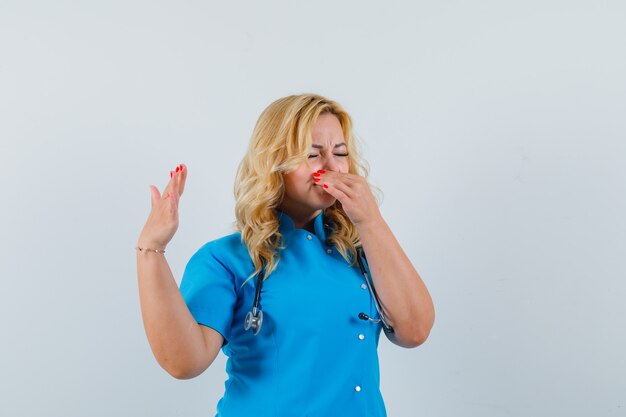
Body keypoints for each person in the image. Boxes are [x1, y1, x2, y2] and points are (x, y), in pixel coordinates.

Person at [136, 93, 435, 417]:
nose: (333, 167)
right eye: (313, 154)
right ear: (273, 162)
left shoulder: (361, 252)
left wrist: (370, 220)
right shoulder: (226, 259)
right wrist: (151, 249)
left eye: (340, 153)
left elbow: (415, 330)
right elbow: (183, 362)